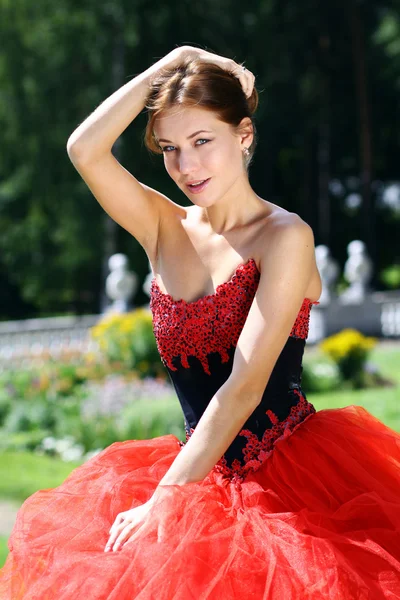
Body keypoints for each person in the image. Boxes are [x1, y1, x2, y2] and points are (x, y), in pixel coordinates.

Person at [1, 45, 399, 600]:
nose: (186, 167)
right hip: (195, 468)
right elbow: (84, 149)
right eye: (170, 148)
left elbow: (243, 388)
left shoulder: (286, 237)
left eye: (202, 141)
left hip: (289, 486)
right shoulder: (163, 226)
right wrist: (176, 61)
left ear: (244, 135)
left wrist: (166, 495)